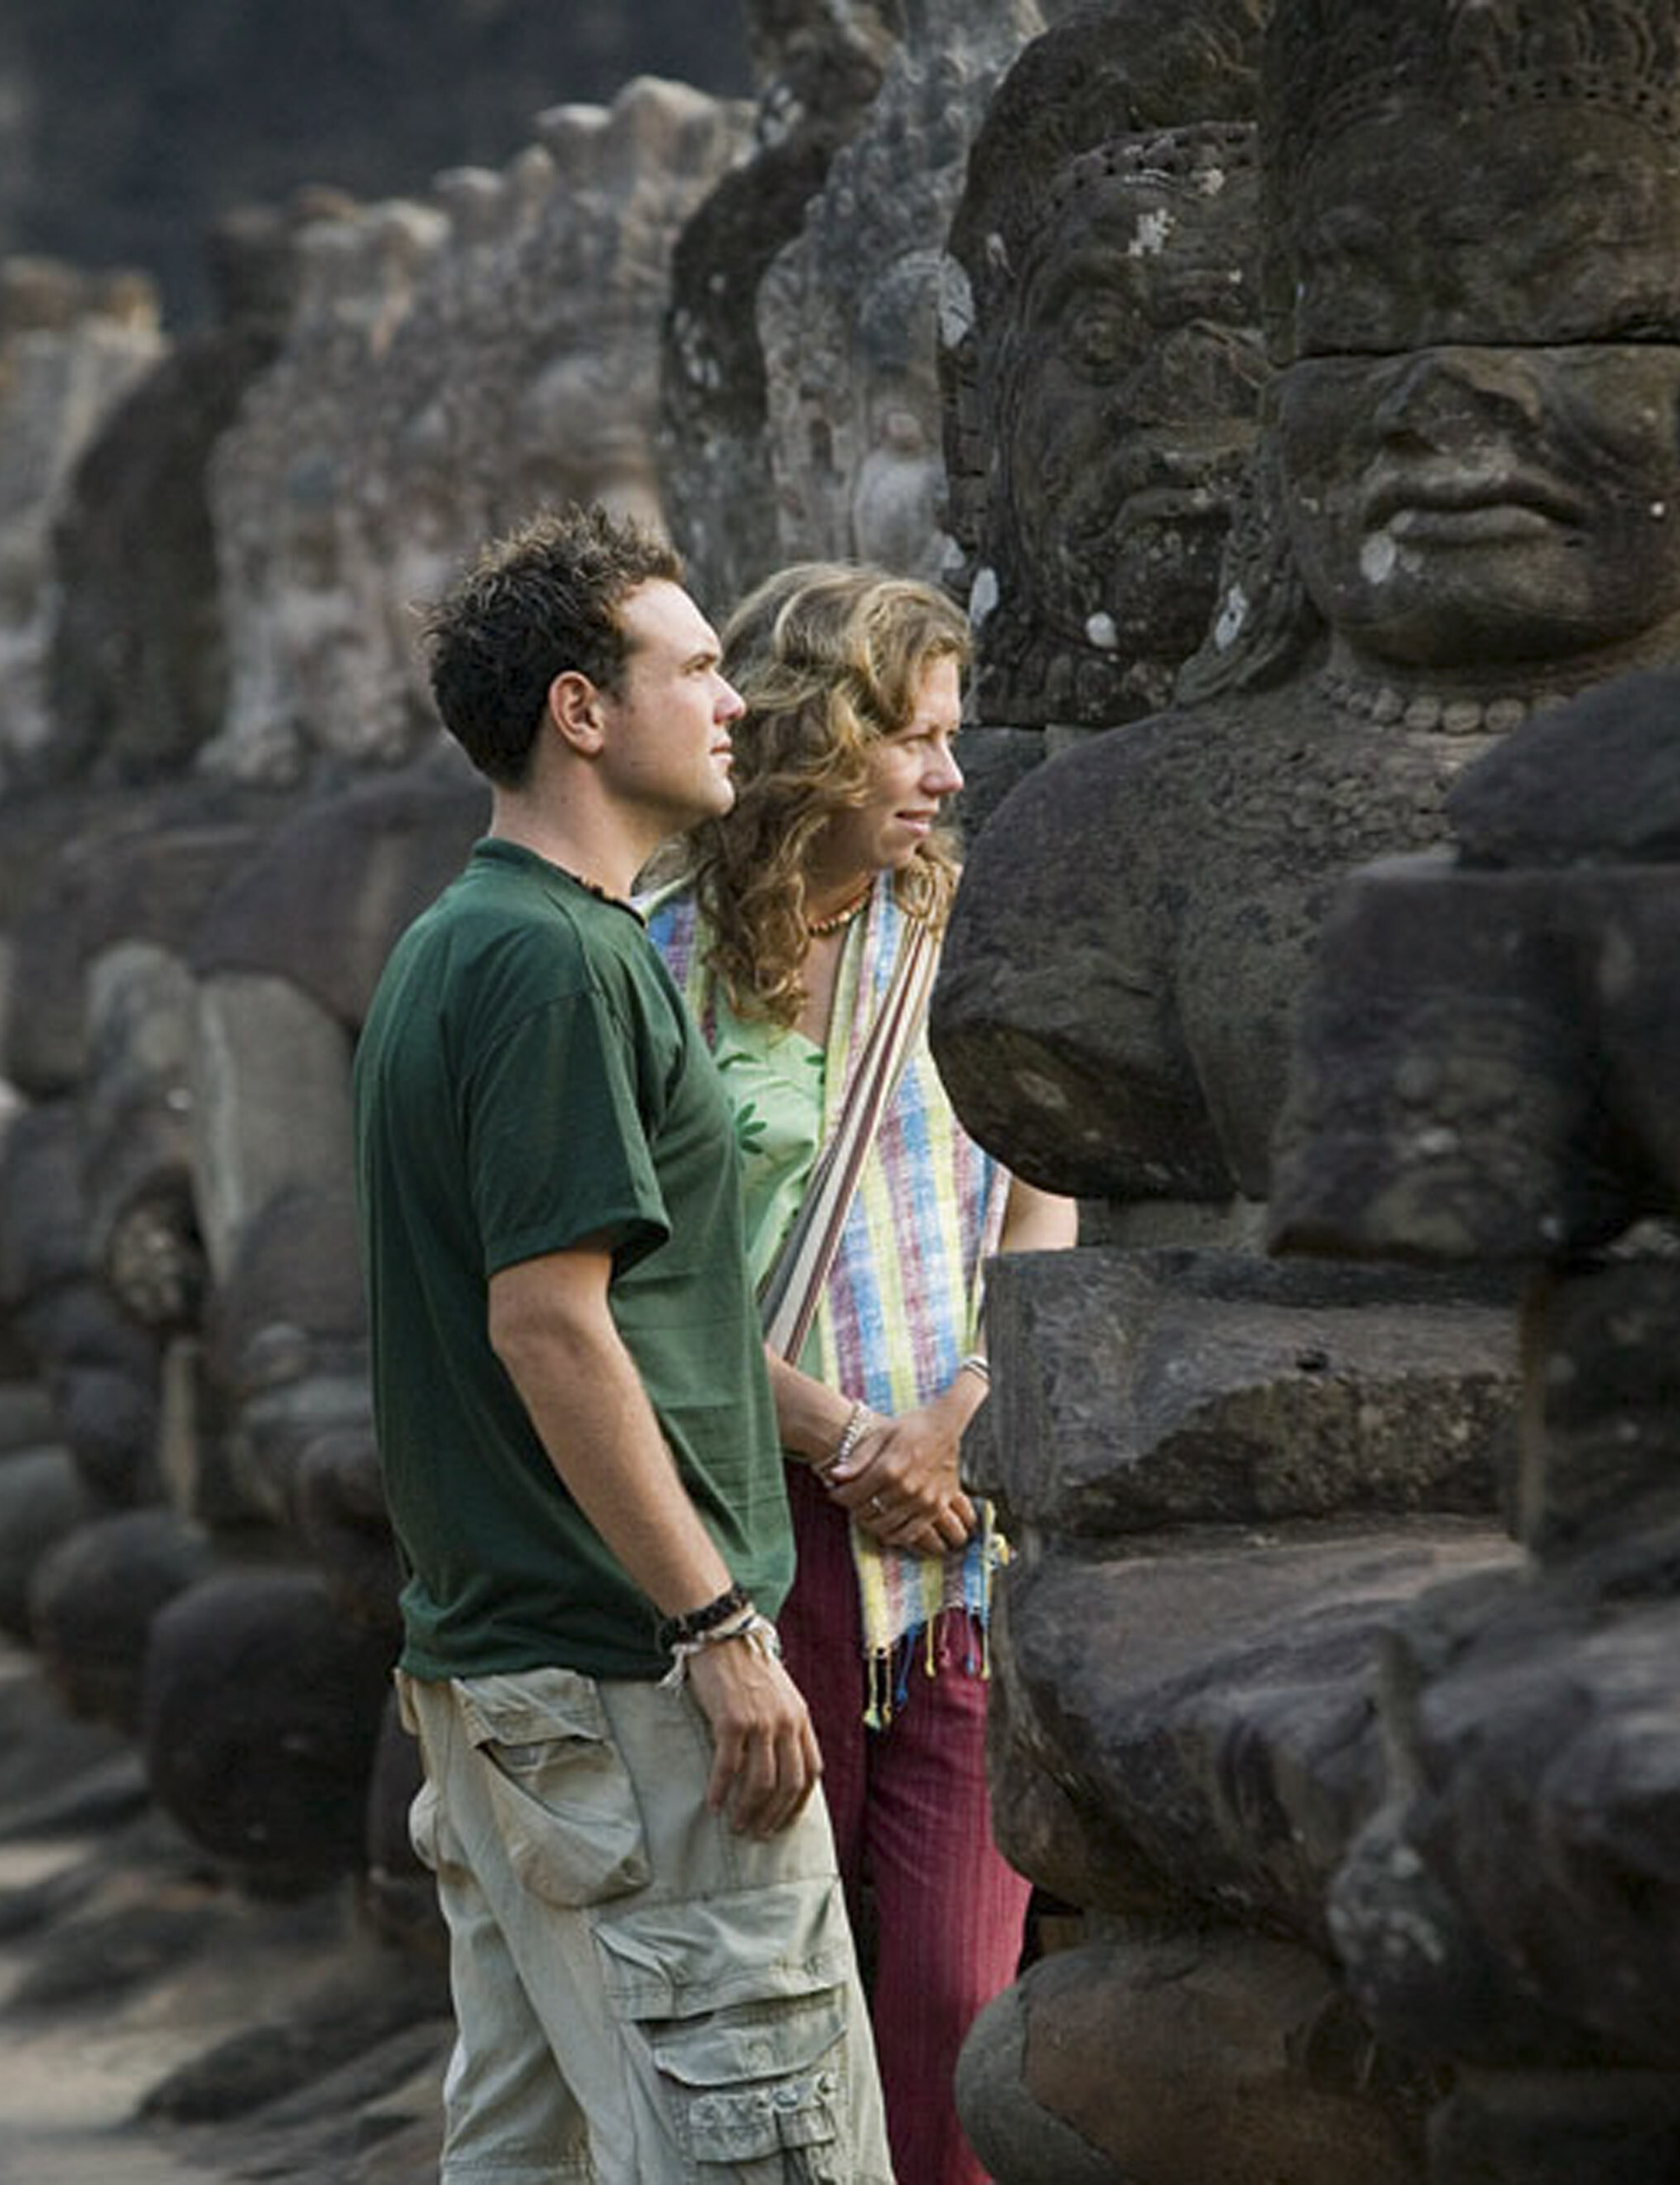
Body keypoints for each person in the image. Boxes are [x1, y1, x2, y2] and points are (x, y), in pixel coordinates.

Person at [354, 505, 895, 2183]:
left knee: (534, 2155)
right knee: (767, 2152)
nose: (735, 701)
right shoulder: (556, 962)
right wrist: (719, 1626)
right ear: (579, 711)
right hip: (620, 1681)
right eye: (699, 667)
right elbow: (551, 1324)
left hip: (511, 1672)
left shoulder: (464, 942)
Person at [640, 562, 1076, 2185]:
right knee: (778, 1981)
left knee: (958, 1993)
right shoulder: (655, 961)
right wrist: (840, 1439)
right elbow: (638, 1282)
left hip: (954, 1536)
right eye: (915, 739)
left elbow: (1040, 1187)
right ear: (818, 739)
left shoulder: (963, 939)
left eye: (951, 737)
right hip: (754, 1536)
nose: (950, 775)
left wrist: (964, 1409)